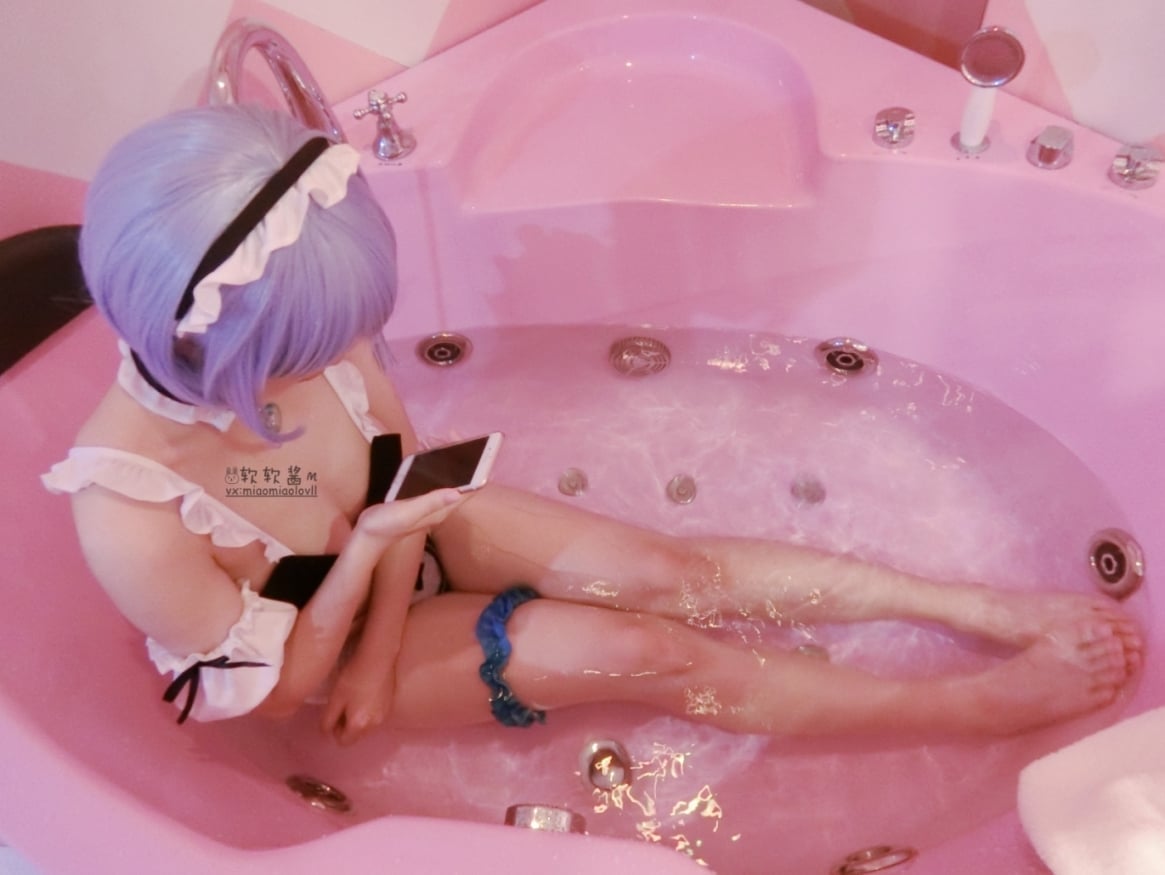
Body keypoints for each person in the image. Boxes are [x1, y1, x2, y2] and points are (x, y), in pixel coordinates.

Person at [44, 105, 1142, 745]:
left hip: (396, 547)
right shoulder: (131, 512)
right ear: (225, 346)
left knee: (665, 570)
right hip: (323, 652)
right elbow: (284, 689)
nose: (348, 355)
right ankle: (963, 708)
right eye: (316, 346)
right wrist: (373, 613)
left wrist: (385, 542)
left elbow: (374, 479)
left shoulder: (310, 326)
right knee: (648, 648)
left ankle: (957, 605)